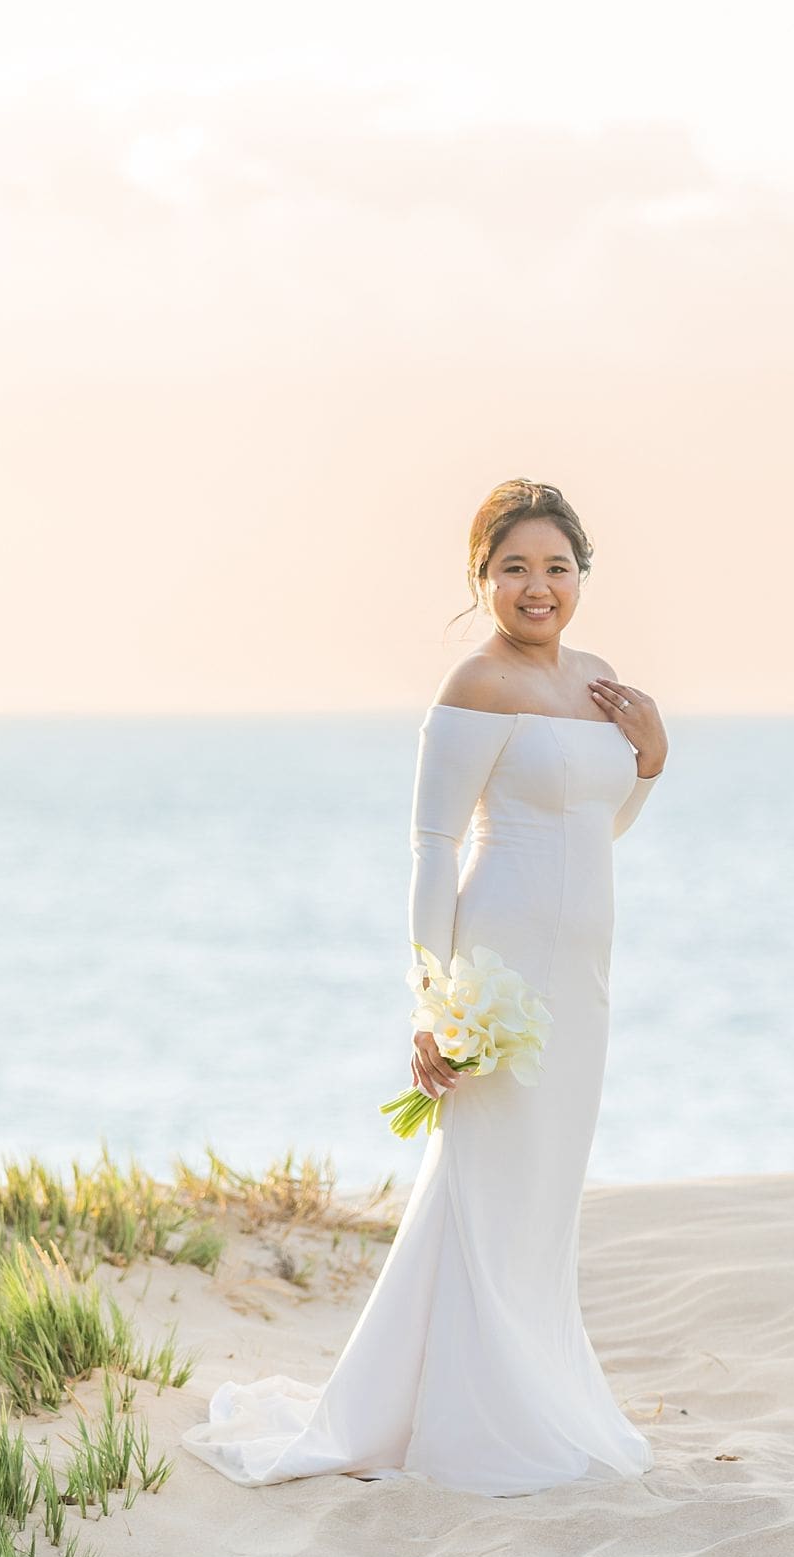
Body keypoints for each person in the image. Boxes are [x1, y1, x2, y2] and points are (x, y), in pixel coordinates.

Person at [180, 478, 668, 1497]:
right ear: (482, 577)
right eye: (515, 568)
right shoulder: (475, 684)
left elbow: (596, 827)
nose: (538, 587)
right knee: (486, 1181)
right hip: (500, 972)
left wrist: (651, 761)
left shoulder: (600, 681)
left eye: (557, 567)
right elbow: (434, 846)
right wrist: (434, 1001)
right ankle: (469, 1418)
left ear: (583, 575)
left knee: (545, 1189)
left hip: (582, 978)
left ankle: (537, 1395)